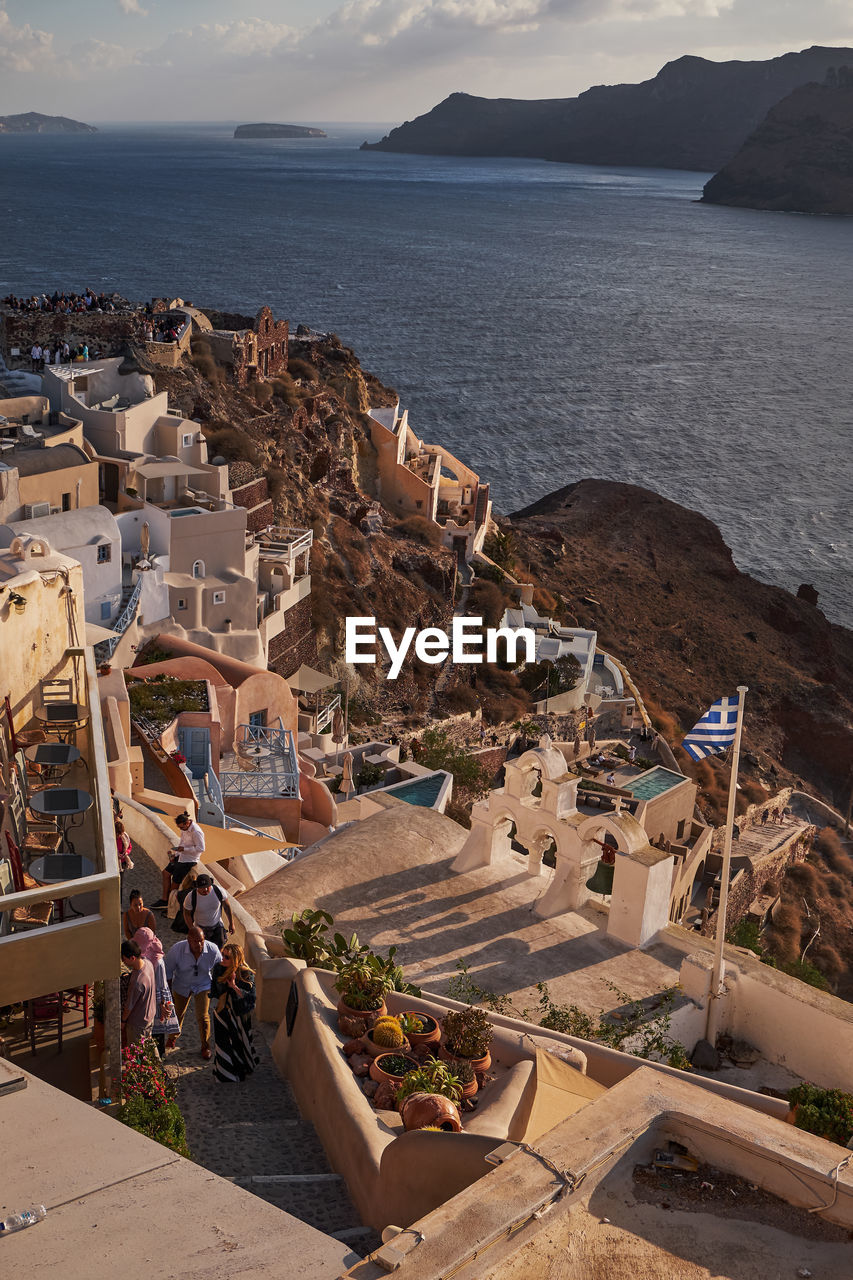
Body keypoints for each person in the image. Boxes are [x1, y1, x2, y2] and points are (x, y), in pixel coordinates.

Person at [164, 926, 221, 1059]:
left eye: (201, 940)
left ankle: (205, 1045)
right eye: (195, 941)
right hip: (182, 985)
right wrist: (169, 992)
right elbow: (168, 970)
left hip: (203, 984)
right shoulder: (177, 949)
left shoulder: (212, 950)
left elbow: (220, 968)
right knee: (177, 1013)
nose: (199, 944)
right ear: (188, 940)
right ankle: (172, 1038)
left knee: (203, 1016)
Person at [210, 943, 260, 1084]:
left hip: (239, 1016)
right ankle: (224, 1074)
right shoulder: (219, 969)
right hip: (222, 1013)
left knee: (238, 1042)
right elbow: (214, 991)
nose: (222, 958)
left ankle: (240, 1070)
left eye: (227, 957)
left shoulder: (246, 974)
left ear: (235, 959)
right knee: (222, 1042)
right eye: (222, 954)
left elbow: (251, 997)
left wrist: (234, 987)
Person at [133, 926, 180, 1057]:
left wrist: (162, 1004)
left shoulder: (157, 962)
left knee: (156, 1034)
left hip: (157, 1002)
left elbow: (161, 985)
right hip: (149, 1000)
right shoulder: (148, 956)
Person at [154, 811, 205, 907]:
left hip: (189, 860)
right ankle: (164, 899)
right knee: (165, 873)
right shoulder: (184, 829)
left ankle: (169, 903)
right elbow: (182, 842)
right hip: (181, 856)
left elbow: (201, 848)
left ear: (187, 823)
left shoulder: (196, 832)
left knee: (175, 882)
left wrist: (185, 849)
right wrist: (176, 854)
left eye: (182, 827)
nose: (181, 829)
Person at [121, 939, 157, 1046]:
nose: (123, 962)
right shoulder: (148, 963)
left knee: (136, 1054)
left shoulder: (137, 982)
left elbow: (129, 1006)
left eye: (124, 959)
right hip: (149, 1017)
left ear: (132, 958)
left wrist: (123, 1021)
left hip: (137, 1023)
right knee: (149, 1047)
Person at [182, 873, 234, 947]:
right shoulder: (190, 897)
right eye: (202, 887)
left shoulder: (219, 891)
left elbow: (227, 907)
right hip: (200, 928)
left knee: (220, 946)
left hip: (217, 926)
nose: (205, 889)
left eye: (207, 887)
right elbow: (187, 914)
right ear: (197, 887)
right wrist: (192, 929)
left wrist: (231, 923)